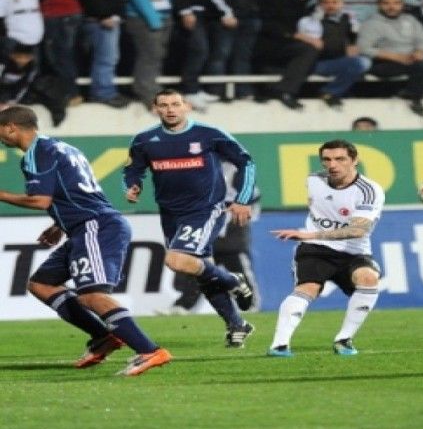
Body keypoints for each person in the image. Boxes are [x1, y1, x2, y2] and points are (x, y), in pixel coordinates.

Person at [0, 105, 172, 376]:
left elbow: (40, 200)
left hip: (95, 226)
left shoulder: (36, 154)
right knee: (42, 284)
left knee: (92, 295)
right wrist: (59, 224)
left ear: (11, 127)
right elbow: (76, 191)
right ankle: (104, 337)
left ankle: (149, 350)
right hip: (86, 226)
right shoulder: (61, 148)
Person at [123, 89, 257, 348]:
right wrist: (132, 186)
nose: (170, 109)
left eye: (176, 104)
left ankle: (233, 280)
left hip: (205, 209)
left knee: (176, 260)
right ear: (155, 109)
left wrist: (242, 199)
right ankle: (236, 324)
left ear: (187, 107)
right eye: (164, 105)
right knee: (202, 272)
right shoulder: (144, 140)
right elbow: (132, 169)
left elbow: (246, 162)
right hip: (170, 213)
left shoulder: (209, 134)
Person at [267, 139, 384, 357]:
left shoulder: (369, 191)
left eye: (340, 159)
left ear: (355, 160)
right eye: (327, 160)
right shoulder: (314, 180)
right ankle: (279, 345)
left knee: (368, 278)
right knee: (307, 288)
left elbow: (358, 230)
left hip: (353, 251)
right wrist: (312, 237)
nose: (332, 165)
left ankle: (344, 339)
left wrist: (310, 233)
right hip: (316, 248)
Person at [158, 163, 262, 316]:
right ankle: (183, 306)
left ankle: (251, 305)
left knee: (240, 272)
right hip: (209, 240)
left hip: (233, 241)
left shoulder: (239, 176)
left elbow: (252, 202)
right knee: (198, 275)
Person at [358, 0, 423, 116]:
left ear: (402, 5)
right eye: (386, 3)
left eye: (396, 3)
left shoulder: (410, 20)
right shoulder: (371, 24)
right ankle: (414, 98)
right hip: (383, 63)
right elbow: (363, 48)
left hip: (411, 59)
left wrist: (420, 51)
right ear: (379, 5)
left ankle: (416, 94)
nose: (391, 7)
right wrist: (397, 57)